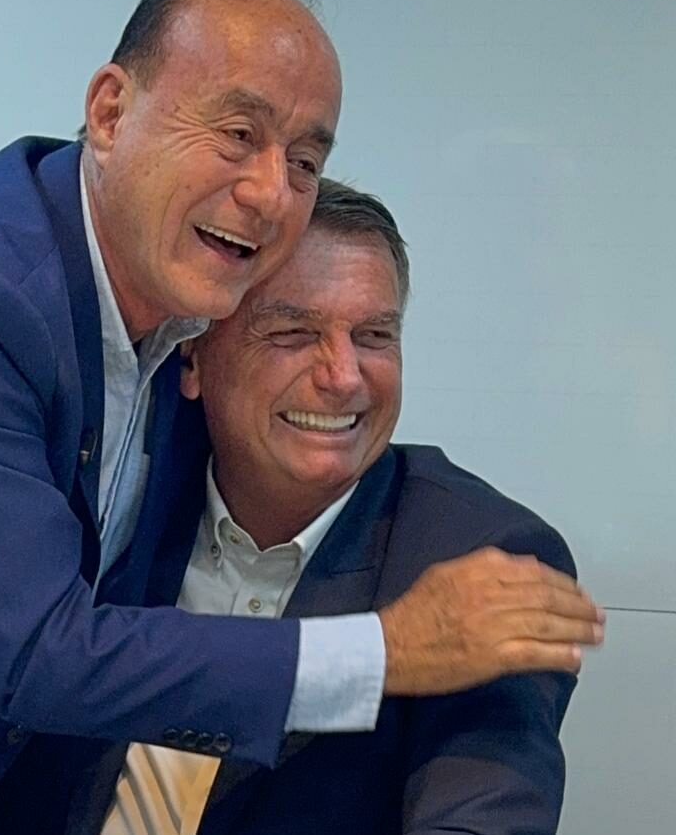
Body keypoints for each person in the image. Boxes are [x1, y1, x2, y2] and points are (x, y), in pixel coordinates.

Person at [0, 0, 600, 835]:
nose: (270, 192)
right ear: (111, 111)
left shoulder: (178, 357)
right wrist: (386, 652)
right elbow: (46, 654)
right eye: (238, 135)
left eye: (304, 160)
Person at [55, 180, 582, 834]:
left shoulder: (480, 559)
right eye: (292, 333)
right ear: (191, 353)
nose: (343, 375)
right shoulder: (116, 499)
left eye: (374, 335)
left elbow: (483, 820)